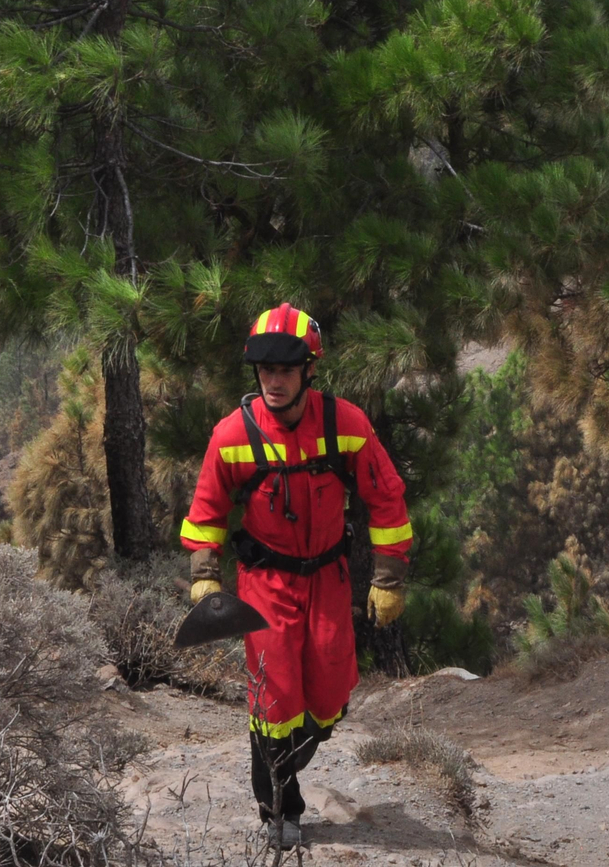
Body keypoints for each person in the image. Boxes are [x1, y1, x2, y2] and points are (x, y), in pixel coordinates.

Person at [180, 303, 413, 851]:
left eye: (285, 370)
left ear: (310, 369)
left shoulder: (347, 426)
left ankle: (280, 767)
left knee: (330, 695)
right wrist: (205, 578)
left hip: (328, 581)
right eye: (265, 370)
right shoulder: (230, 435)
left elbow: (387, 500)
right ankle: (279, 807)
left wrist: (389, 578)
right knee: (275, 698)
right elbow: (207, 512)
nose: (274, 381)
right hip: (265, 585)